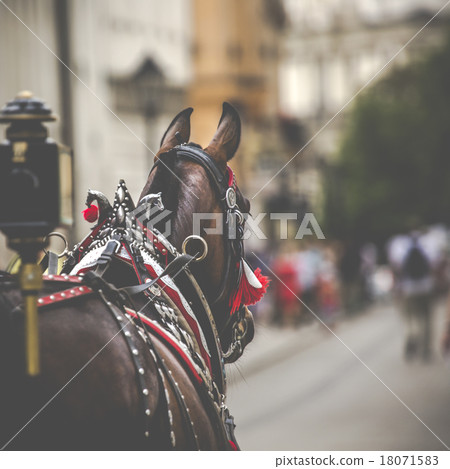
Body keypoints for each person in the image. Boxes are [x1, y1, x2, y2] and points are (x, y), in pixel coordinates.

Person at [391, 231, 435, 361]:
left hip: (409, 289)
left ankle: (412, 342)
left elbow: (397, 269)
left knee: (411, 319)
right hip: (426, 287)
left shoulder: (401, 248)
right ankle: (425, 348)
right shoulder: (427, 246)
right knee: (426, 319)